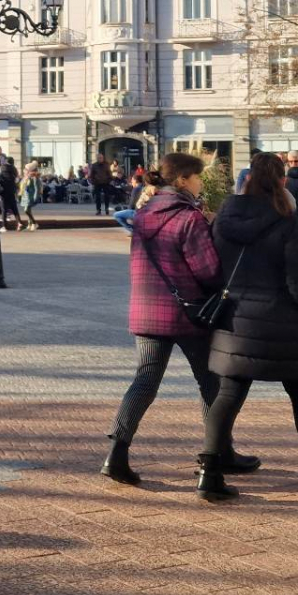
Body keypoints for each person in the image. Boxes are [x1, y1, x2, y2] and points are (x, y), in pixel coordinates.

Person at [197, 153, 298, 500]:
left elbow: (211, 263)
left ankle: (209, 472)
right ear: (282, 181)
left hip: (234, 316)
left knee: (227, 395)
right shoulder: (287, 221)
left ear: (248, 178)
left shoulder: (225, 214)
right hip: (280, 321)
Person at [104, 152, 259, 486]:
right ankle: (217, 454)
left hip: (146, 310)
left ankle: (116, 452)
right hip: (188, 313)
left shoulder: (143, 214)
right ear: (184, 180)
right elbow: (208, 271)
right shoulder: (189, 218)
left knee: (145, 381)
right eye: (198, 177)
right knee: (211, 382)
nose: (201, 182)